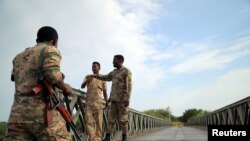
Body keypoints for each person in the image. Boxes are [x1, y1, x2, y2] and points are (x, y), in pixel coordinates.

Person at [4, 26, 73, 141]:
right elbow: (52, 75)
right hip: (40, 112)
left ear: (37, 40)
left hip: (17, 114)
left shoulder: (18, 56)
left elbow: (13, 77)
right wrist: (66, 88)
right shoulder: (50, 49)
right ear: (54, 40)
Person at [88, 55, 132, 141]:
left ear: (120, 61)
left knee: (123, 119)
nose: (113, 62)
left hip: (122, 100)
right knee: (111, 119)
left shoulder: (126, 71)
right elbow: (105, 77)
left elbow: (129, 86)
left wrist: (127, 99)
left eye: (114, 60)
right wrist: (94, 76)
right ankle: (107, 137)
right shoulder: (114, 72)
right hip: (113, 100)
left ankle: (124, 136)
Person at [81, 61, 108, 141]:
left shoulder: (103, 78)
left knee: (99, 122)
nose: (93, 68)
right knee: (88, 121)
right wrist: (87, 80)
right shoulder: (88, 76)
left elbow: (105, 92)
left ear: (99, 68)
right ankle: (93, 139)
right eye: (92, 67)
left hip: (98, 102)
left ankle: (98, 138)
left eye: (95, 67)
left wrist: (107, 102)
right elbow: (82, 86)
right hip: (88, 102)